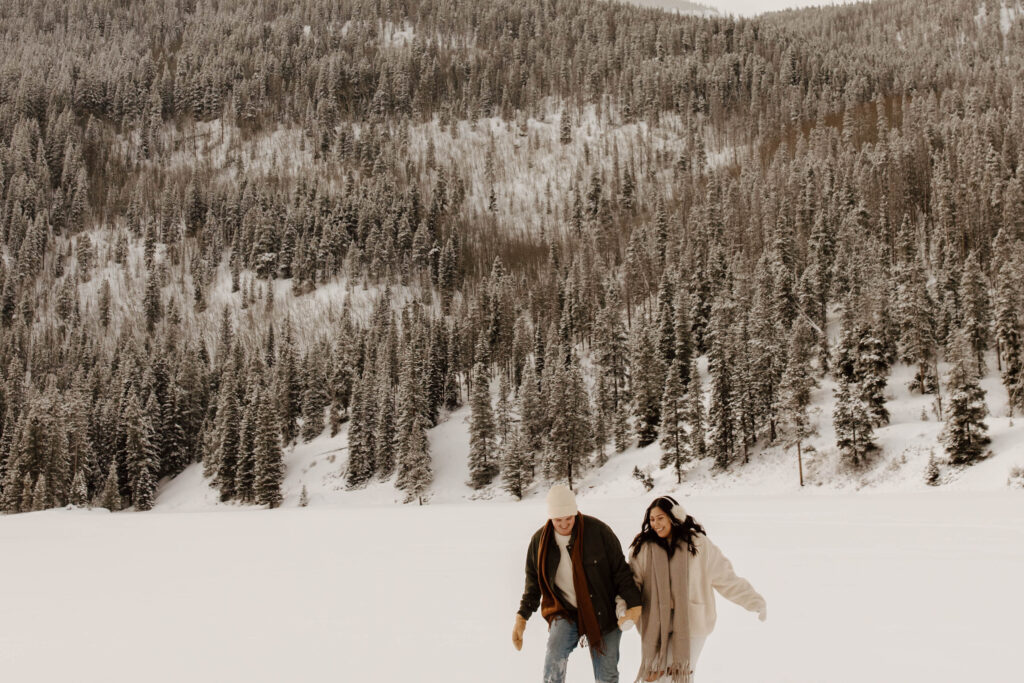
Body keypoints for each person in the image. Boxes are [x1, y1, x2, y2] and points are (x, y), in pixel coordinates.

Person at [624, 496, 766, 682]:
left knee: (680, 674)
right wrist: (624, 609)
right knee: (655, 677)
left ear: (674, 516)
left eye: (660, 518)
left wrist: (753, 601)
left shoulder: (698, 545)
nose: (656, 524)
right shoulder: (643, 549)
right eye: (652, 519)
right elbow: (632, 584)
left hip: (692, 622)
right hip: (655, 623)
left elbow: (725, 577)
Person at [513, 484, 643, 683]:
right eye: (558, 520)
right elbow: (533, 584)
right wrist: (522, 618)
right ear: (550, 518)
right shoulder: (539, 542)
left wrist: (634, 604)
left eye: (569, 518)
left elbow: (620, 571)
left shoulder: (599, 532)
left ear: (575, 512)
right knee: (553, 658)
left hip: (603, 611)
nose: (565, 524)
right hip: (565, 611)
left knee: (607, 675)